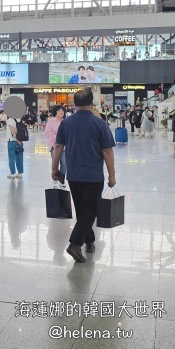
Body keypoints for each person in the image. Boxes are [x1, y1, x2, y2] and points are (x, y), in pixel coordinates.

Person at [51, 88, 116, 264]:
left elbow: (58, 147)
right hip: (93, 176)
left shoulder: (66, 123)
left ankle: (90, 240)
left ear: (74, 104)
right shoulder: (100, 124)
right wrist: (112, 176)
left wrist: (54, 168)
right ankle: (75, 243)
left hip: (73, 175)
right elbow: (107, 152)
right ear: (92, 103)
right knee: (91, 210)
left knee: (82, 209)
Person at [45, 105, 67, 179]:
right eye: (59, 110)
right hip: (54, 146)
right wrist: (57, 137)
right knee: (55, 163)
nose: (62, 112)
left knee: (64, 164)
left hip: (64, 146)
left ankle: (61, 179)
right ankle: (55, 178)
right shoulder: (51, 121)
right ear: (55, 112)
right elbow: (47, 132)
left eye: (62, 110)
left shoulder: (65, 122)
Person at [6, 110, 24, 179]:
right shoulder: (19, 119)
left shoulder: (10, 120)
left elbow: (12, 131)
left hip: (12, 141)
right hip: (20, 141)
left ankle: (12, 173)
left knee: (11, 158)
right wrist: (20, 140)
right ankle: (20, 173)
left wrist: (17, 139)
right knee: (19, 156)